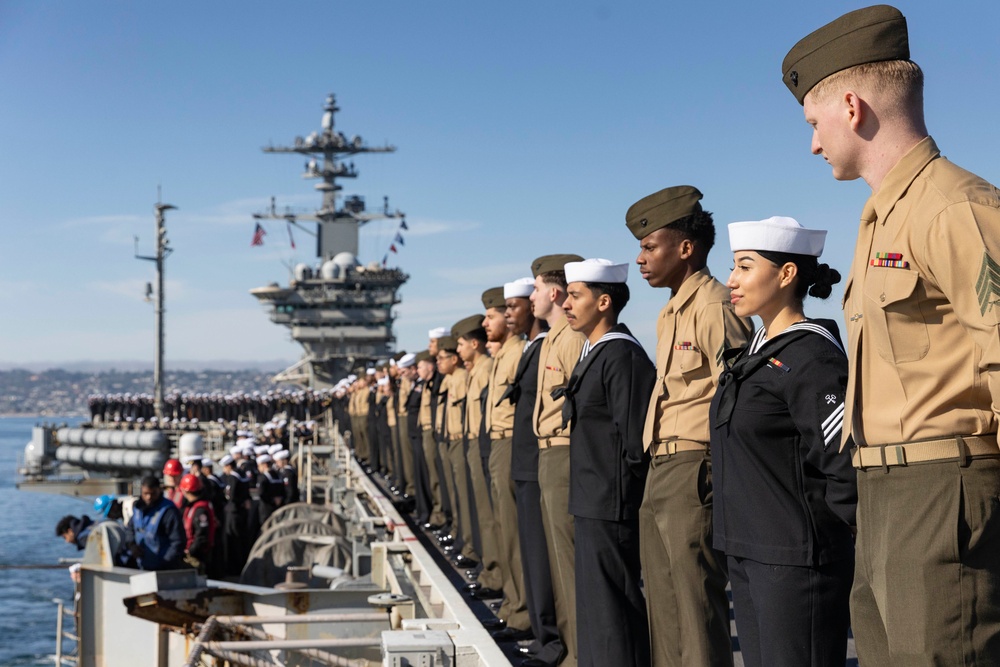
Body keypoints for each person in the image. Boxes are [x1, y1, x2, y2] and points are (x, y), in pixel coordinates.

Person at [782, 6, 1000, 664]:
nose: (814, 145)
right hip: (885, 492)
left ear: (851, 108)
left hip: (943, 492)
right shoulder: (880, 220)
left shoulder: (955, 206)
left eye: (814, 124)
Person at [710, 216, 856, 667]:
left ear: (787, 273)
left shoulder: (812, 357)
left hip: (796, 560)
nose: (731, 280)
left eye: (745, 267)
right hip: (748, 550)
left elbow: (841, 466)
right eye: (733, 266)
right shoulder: (754, 354)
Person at [627, 185, 751, 667]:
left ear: (686, 247)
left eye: (649, 246)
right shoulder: (671, 310)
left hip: (694, 467)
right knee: (665, 602)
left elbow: (739, 398)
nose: (640, 258)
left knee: (695, 602)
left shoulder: (714, 306)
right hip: (662, 463)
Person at [559, 258, 654, 667]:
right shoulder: (594, 352)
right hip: (591, 497)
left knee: (614, 607)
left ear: (603, 302)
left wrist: (624, 497)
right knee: (596, 609)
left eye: (575, 295)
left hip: (611, 501)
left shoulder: (620, 355)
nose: (565, 304)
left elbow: (634, 438)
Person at [530, 253, 585, 667]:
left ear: (553, 291)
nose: (533, 296)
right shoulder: (553, 337)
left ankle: (581, 654)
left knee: (569, 564)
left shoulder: (569, 338)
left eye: (535, 288)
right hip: (549, 451)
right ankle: (569, 650)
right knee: (558, 563)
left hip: (565, 452)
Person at [120, 475, 186, 571]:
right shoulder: (137, 509)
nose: (149, 497)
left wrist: (166, 561)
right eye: (145, 493)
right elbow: (130, 529)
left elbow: (178, 541)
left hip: (163, 567)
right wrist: (132, 545)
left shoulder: (169, 511)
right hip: (142, 565)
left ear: (159, 490)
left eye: (153, 493)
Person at [179, 473, 217, 574]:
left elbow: (202, 535)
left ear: (185, 491)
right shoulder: (193, 506)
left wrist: (190, 551)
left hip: (198, 555)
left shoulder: (200, 510)